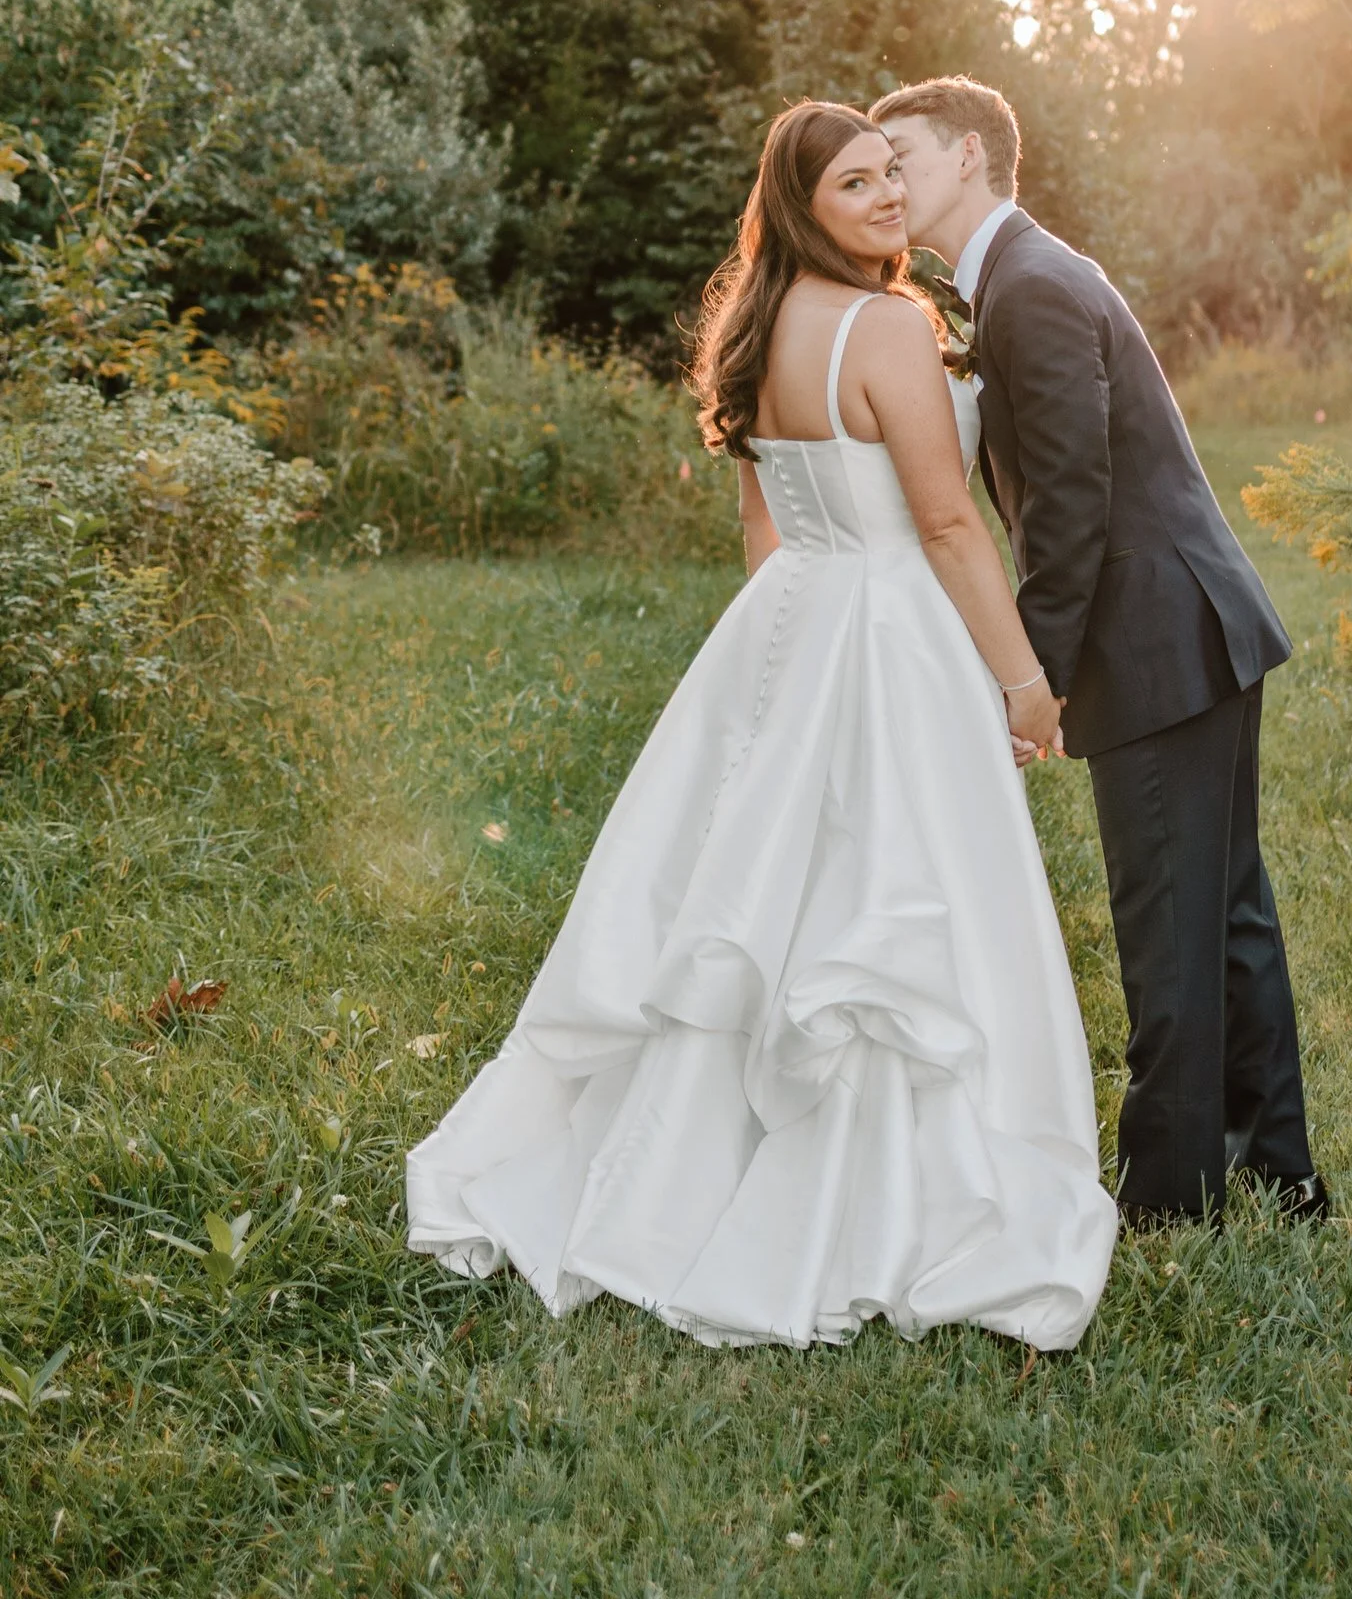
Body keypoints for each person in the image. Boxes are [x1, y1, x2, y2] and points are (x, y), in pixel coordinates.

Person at [405, 101, 1118, 1349]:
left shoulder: (755, 322)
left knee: (767, 894)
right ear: (806, 208)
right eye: (855, 186)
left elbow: (762, 525)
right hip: (890, 621)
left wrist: (782, 664)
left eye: (890, 175)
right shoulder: (890, 326)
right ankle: (875, 1201)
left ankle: (687, 1164)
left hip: (795, 613)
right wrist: (1020, 680)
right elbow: (951, 527)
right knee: (890, 899)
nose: (888, 200)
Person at [871, 75, 1326, 1229]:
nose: (886, 179)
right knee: (1223, 912)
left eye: (903, 155)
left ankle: (1174, 1201)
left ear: (969, 156)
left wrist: (1041, 678)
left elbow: (1072, 501)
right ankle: (1276, 1170)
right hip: (1188, 622)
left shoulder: (1027, 288)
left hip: (1155, 636)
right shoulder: (1023, 279)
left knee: (1171, 922)